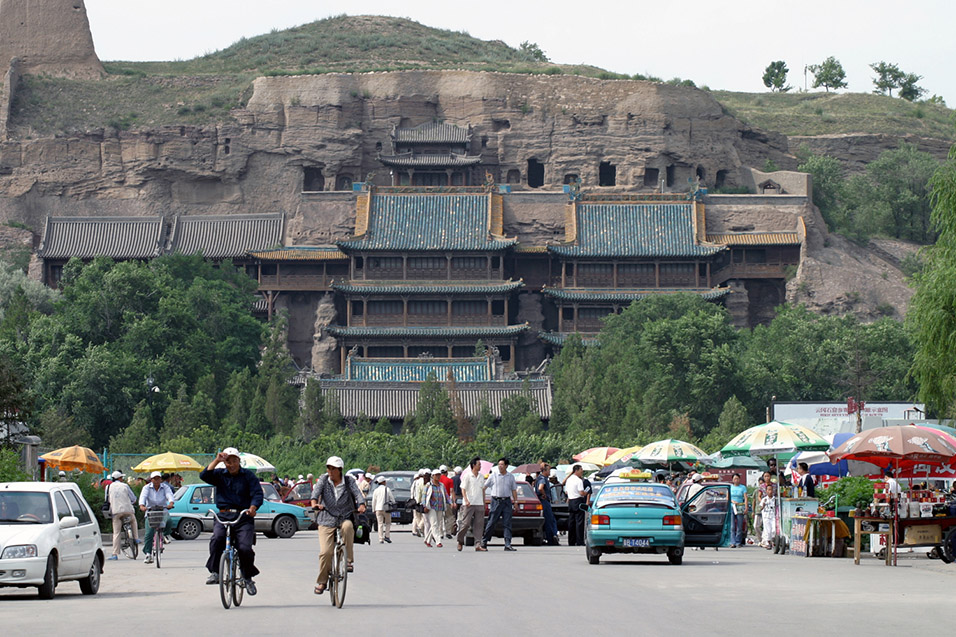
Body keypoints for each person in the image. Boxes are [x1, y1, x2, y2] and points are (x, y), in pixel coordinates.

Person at [200, 448, 264, 594]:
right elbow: (204, 475)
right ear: (225, 463)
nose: (232, 464)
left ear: (239, 461)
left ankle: (247, 577)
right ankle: (216, 572)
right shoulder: (219, 474)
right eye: (228, 461)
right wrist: (217, 460)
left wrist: (253, 507)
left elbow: (257, 493)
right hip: (223, 516)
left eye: (234, 461)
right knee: (217, 539)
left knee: (244, 548)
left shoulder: (248, 476)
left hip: (243, 516)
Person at [311, 456, 366, 595]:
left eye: (333, 468)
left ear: (340, 470)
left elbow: (357, 494)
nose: (330, 471)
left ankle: (348, 560)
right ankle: (322, 581)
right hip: (326, 518)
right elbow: (315, 494)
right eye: (328, 468)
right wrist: (315, 505)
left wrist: (361, 504)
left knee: (348, 527)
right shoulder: (324, 480)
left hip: (344, 516)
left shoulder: (349, 481)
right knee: (325, 552)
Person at [482, 458, 518, 551]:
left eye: (502, 464)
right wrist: (482, 499)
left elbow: (514, 490)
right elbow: (484, 487)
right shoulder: (493, 476)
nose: (500, 466)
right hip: (496, 501)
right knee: (491, 522)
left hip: (506, 501)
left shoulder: (510, 477)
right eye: (499, 464)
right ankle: (484, 541)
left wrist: (516, 502)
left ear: (506, 466)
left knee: (507, 523)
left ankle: (507, 544)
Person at [139, 470, 174, 564]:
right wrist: (142, 505)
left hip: (163, 510)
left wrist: (171, 502)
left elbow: (169, 495)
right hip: (150, 511)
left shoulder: (165, 487)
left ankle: (164, 535)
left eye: (158, 478)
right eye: (154, 479)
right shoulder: (146, 488)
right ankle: (148, 554)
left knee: (169, 521)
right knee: (149, 533)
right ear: (151, 479)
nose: (157, 481)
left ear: (161, 479)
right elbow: (143, 497)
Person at [106, 471, 138, 560]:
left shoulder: (108, 487)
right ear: (120, 478)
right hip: (128, 510)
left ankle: (115, 554)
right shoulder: (125, 486)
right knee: (133, 520)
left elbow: (107, 500)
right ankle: (136, 538)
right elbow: (133, 498)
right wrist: (131, 502)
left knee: (116, 532)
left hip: (116, 511)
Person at [457, 457, 487, 552]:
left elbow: (483, 490)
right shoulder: (467, 476)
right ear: (474, 465)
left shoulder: (481, 476)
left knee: (479, 525)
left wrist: (484, 502)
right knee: (465, 524)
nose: (480, 466)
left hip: (479, 503)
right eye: (479, 464)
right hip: (469, 503)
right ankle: (460, 541)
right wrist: (466, 500)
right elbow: (463, 489)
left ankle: (478, 544)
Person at [422, 469, 450, 548]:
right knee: (434, 524)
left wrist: (451, 503)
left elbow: (446, 495)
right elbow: (424, 496)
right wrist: (424, 506)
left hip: (440, 507)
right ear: (432, 476)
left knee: (437, 524)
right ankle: (438, 541)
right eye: (436, 475)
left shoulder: (441, 485)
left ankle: (427, 540)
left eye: (439, 475)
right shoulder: (428, 485)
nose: (438, 476)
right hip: (431, 507)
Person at [535, 462, 559, 545]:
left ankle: (549, 537)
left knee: (548, 520)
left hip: (542, 501)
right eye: (549, 470)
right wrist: (544, 494)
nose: (550, 472)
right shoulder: (542, 478)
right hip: (544, 501)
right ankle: (550, 539)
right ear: (545, 471)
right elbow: (540, 488)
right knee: (549, 520)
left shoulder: (539, 478)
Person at [564, 464, 587, 546]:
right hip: (578, 500)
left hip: (571, 501)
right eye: (581, 470)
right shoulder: (579, 481)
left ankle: (571, 541)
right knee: (579, 522)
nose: (582, 472)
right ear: (576, 470)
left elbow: (566, 492)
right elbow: (581, 492)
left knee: (571, 522)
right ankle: (580, 541)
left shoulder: (569, 480)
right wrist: (586, 492)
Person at [371, 475, 395, 544]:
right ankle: (387, 536)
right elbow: (392, 499)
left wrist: (373, 509)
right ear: (384, 482)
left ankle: (380, 538)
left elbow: (374, 501)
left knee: (380, 524)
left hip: (378, 509)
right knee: (388, 523)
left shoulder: (376, 490)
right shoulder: (387, 489)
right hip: (386, 508)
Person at [729, 473, 748, 548]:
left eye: (737, 478)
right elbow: (728, 497)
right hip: (732, 507)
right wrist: (733, 501)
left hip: (740, 507)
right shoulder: (730, 487)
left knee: (739, 525)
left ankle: (738, 542)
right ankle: (732, 542)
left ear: (739, 479)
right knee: (732, 526)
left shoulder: (743, 487)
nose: (736, 480)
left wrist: (746, 507)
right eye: (734, 479)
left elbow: (745, 498)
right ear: (732, 480)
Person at [438, 465, 456, 539]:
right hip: (447, 500)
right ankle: (448, 532)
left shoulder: (437, 480)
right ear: (447, 472)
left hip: (438, 500)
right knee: (449, 516)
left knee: (439, 517)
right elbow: (451, 491)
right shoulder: (449, 480)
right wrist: (453, 502)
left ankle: (440, 533)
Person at [411, 469, 428, 537]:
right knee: (424, 516)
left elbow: (412, 491)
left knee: (416, 516)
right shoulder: (425, 482)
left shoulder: (415, 482)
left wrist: (413, 499)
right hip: (423, 501)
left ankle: (415, 530)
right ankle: (420, 527)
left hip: (415, 501)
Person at [760, 483, 777, 549]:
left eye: (771, 490)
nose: (770, 491)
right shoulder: (764, 499)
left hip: (773, 516)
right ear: (766, 491)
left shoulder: (775, 499)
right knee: (768, 531)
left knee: (774, 530)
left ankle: (773, 541)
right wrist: (763, 505)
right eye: (768, 490)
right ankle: (768, 543)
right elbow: (760, 508)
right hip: (766, 517)